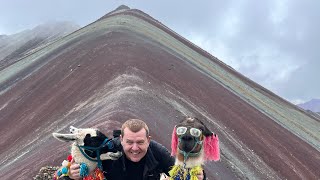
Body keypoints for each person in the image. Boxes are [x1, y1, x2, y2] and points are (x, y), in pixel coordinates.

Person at [68, 119, 204, 180]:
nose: (134, 148)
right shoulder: (107, 150)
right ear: (121, 139)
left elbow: (181, 173)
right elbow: (66, 173)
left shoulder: (158, 153)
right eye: (129, 142)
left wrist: (200, 176)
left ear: (148, 140)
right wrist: (72, 175)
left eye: (140, 142)